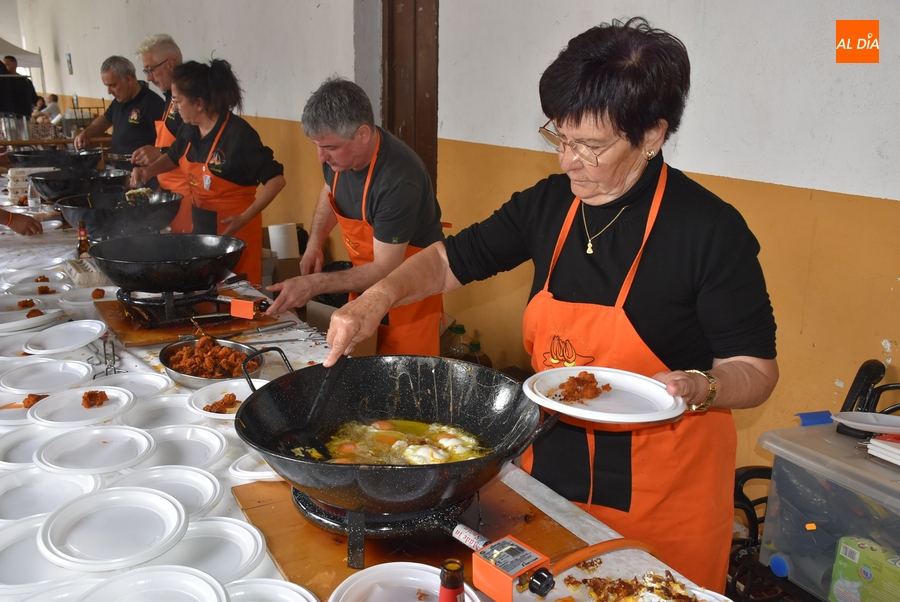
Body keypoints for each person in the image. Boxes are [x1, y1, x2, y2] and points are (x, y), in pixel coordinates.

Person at [322, 18, 778, 592]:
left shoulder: (709, 230)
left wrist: (703, 387)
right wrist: (376, 298)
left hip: (665, 505)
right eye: (559, 137)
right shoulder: (548, 205)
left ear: (653, 136)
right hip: (549, 489)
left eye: (590, 146)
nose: (567, 161)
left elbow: (757, 372)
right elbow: (445, 261)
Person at [265, 77, 445, 356]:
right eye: (317, 145)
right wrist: (315, 241)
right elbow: (330, 192)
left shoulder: (397, 181)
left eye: (330, 147)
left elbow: (386, 268)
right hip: (365, 284)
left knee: (406, 387)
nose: (320, 158)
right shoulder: (337, 158)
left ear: (362, 134)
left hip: (408, 298)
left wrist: (315, 284)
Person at [131, 59, 286, 285]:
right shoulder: (189, 128)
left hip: (235, 233)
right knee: (205, 296)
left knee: (236, 298)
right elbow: (173, 157)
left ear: (199, 103)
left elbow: (276, 180)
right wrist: (148, 171)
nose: (174, 107)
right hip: (202, 229)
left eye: (178, 101)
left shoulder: (238, 135)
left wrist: (246, 217)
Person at [131, 34, 192, 233]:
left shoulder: (190, 98)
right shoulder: (169, 99)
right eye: (145, 70)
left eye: (151, 69)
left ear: (170, 63)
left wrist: (160, 151)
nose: (148, 77)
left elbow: (196, 145)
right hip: (170, 197)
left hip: (188, 197)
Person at [73, 56, 165, 155]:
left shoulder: (153, 104)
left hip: (144, 169)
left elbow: (165, 144)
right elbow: (104, 120)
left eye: (113, 85)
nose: (109, 92)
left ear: (128, 79)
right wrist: (87, 133)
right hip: (120, 167)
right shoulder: (119, 101)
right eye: (107, 86)